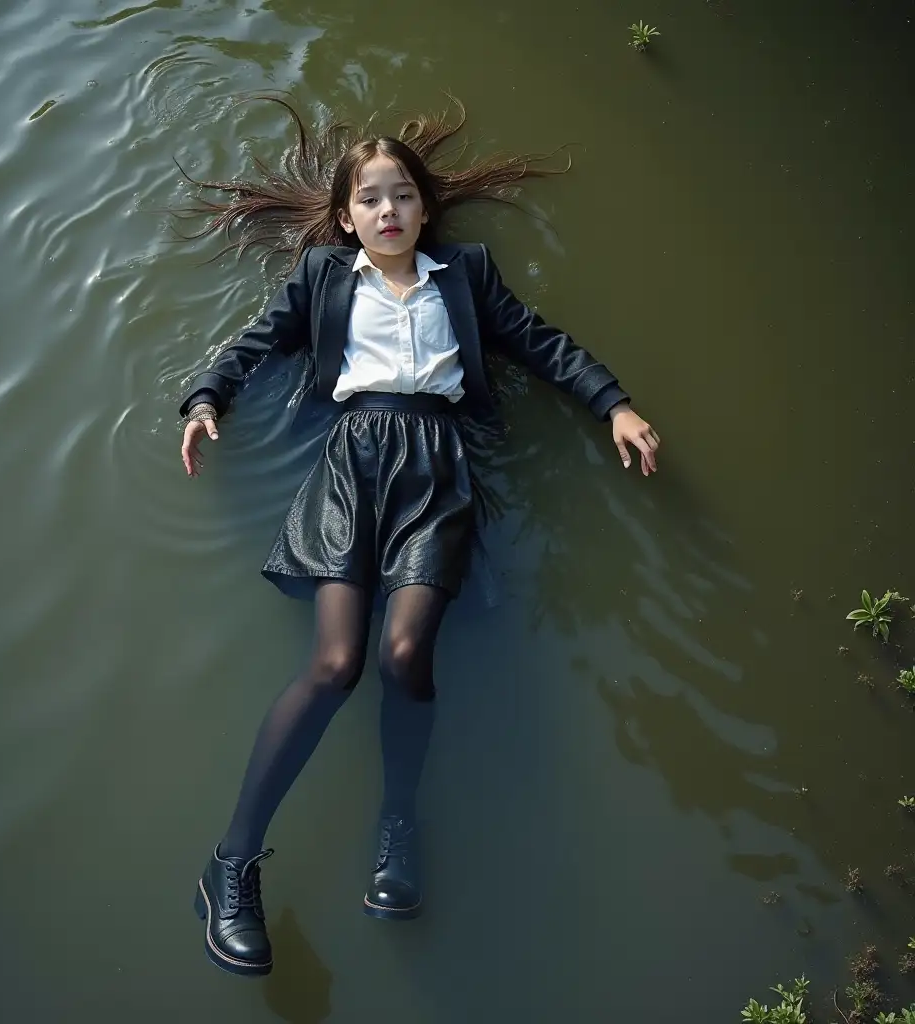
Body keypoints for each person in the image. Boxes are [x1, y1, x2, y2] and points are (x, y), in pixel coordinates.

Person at [177, 97, 660, 977]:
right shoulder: (322, 278)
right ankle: (230, 864)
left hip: (436, 474)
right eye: (370, 198)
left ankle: (397, 824)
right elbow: (254, 344)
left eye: (402, 195)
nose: (388, 210)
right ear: (345, 215)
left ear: (426, 210)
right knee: (334, 665)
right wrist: (207, 398)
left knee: (404, 657)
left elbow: (540, 344)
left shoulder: (466, 275)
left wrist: (614, 404)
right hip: (349, 467)